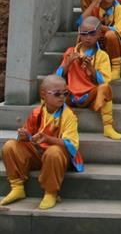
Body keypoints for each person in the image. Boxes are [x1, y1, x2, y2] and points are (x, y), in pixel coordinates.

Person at [0, 74, 83, 209]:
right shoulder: (37, 113)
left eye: (65, 93)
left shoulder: (68, 115)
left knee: (54, 152)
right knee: (10, 146)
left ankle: (51, 193)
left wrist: (48, 139)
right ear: (43, 94)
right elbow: (29, 139)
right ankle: (17, 186)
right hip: (38, 153)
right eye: (57, 94)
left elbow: (72, 145)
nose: (62, 97)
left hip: (57, 158)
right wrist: (24, 136)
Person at [55, 16, 121, 140]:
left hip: (90, 96)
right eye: (84, 34)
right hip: (70, 95)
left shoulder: (102, 56)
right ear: (79, 33)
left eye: (91, 34)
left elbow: (105, 81)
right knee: (51, 88)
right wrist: (68, 63)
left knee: (106, 88)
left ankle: (108, 126)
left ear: (99, 34)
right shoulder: (70, 52)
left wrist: (91, 69)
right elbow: (57, 76)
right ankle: (53, 125)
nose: (87, 37)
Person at [79, 0, 121, 80]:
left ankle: (116, 68)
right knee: (84, 32)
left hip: (111, 42)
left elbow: (119, 30)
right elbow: (81, 22)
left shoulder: (119, 9)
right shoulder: (95, 6)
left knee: (110, 34)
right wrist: (93, 3)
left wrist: (100, 27)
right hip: (93, 38)